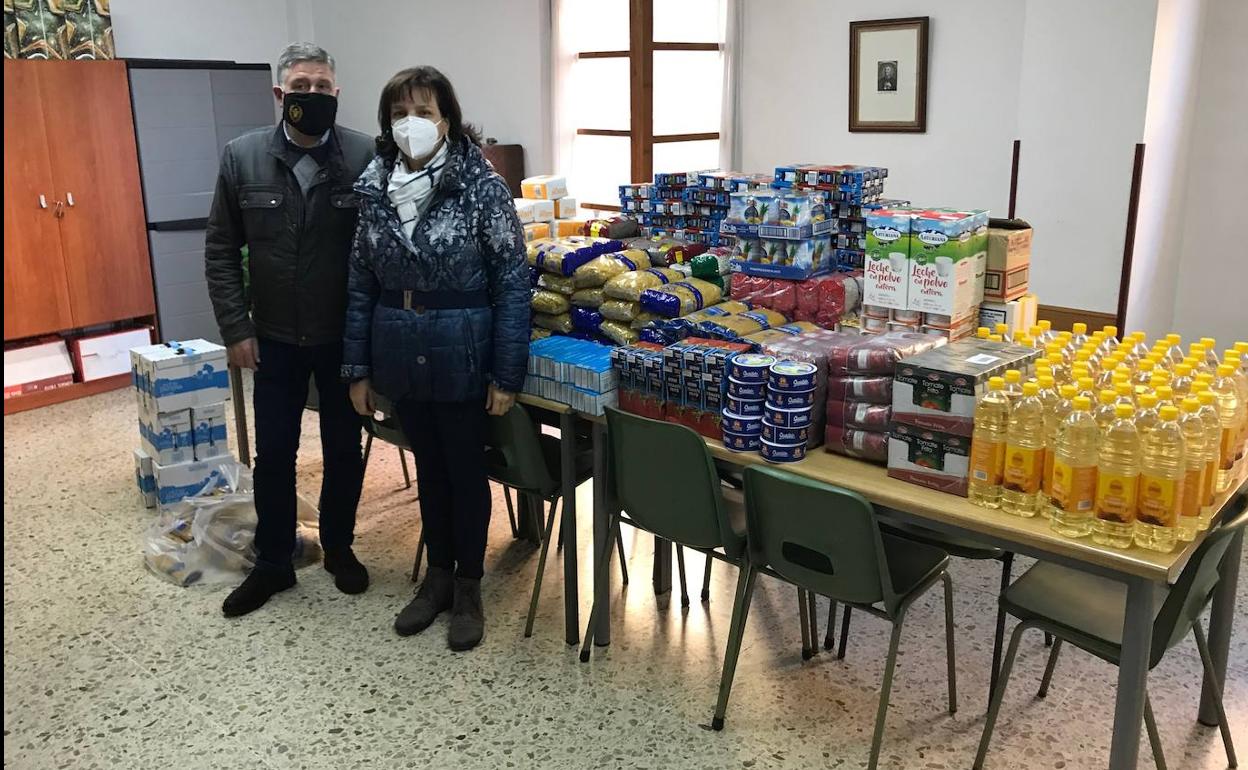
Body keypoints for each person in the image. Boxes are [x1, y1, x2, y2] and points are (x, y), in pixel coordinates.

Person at [341, 66, 528, 651]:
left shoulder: (481, 185)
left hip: (463, 351)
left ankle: (469, 586)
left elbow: (512, 284)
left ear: (447, 118)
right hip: (399, 347)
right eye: (399, 113)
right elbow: (359, 284)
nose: (410, 124)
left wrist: (507, 372)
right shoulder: (374, 187)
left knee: (465, 473)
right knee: (429, 472)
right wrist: (357, 369)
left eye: (422, 111)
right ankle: (438, 578)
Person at [205, 43, 376, 617]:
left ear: (336, 94)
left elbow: (380, 253)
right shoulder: (242, 157)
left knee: (344, 450)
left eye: (321, 87)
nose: (311, 96)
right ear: (280, 95)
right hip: (273, 335)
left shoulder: (365, 156)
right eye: (300, 87)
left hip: (342, 337)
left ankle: (340, 548)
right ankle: (274, 562)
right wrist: (235, 326)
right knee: (275, 454)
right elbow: (222, 249)